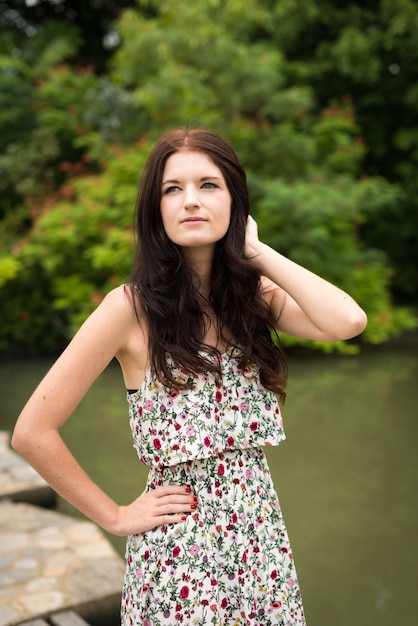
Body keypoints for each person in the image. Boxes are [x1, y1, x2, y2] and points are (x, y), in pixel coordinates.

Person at [12, 128, 367, 626]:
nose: (191, 201)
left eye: (209, 185)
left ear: (234, 201)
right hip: (182, 559)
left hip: (261, 548)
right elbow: (33, 432)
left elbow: (348, 322)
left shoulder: (253, 297)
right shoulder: (129, 309)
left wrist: (257, 252)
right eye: (172, 189)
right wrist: (115, 516)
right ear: (155, 208)